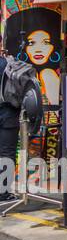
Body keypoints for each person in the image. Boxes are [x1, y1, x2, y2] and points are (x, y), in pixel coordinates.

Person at [0, 48, 17, 203]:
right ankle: (3, 193)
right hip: (8, 115)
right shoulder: (9, 64)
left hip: (7, 116)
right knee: (6, 154)